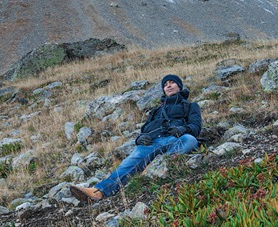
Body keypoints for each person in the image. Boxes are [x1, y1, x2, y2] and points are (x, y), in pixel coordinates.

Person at [70, 74, 202, 203]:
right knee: (128, 163)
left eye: (171, 83)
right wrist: (140, 139)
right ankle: (98, 192)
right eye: (165, 85)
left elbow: (196, 127)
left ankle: (153, 170)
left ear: (179, 86)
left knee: (190, 140)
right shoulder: (155, 110)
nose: (168, 86)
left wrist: (182, 129)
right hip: (152, 142)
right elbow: (144, 130)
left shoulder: (190, 106)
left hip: (175, 139)